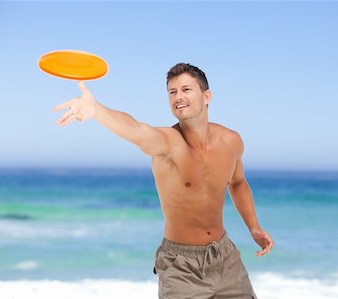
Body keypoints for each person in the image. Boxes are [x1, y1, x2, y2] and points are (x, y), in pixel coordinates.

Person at [54, 63, 274, 298]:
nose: (178, 97)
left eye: (186, 89)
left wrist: (253, 226)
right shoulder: (168, 143)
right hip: (181, 268)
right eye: (172, 92)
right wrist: (97, 110)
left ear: (206, 96)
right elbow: (136, 130)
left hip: (225, 258)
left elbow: (238, 183)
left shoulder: (231, 141)